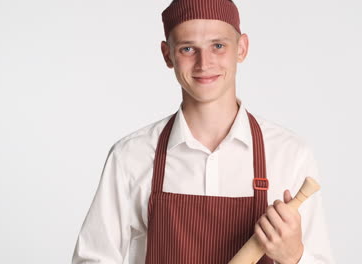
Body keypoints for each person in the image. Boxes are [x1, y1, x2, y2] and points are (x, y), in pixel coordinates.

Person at [72, 0, 335, 263]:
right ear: (168, 55)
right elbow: (93, 258)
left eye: (218, 46)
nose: (204, 63)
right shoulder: (132, 156)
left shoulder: (289, 154)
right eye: (188, 49)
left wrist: (294, 257)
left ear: (241, 48)